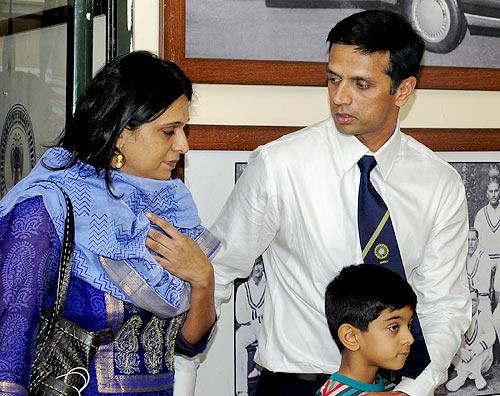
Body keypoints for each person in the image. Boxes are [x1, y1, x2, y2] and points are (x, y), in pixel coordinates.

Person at [210, 9, 470, 396]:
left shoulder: (439, 183)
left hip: (399, 386)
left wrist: (414, 389)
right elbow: (217, 269)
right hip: (295, 384)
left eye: (361, 84)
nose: (340, 97)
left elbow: (444, 304)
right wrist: (180, 364)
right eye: (333, 79)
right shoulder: (280, 165)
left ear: (403, 89)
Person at [0, 51, 218, 395]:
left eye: (183, 129)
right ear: (120, 133)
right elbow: (7, 351)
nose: (184, 145)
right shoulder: (48, 208)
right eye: (168, 132)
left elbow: (188, 345)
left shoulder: (171, 207)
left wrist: (203, 279)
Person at [316, 264, 416, 395]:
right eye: (394, 327)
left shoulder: (393, 389)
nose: (410, 339)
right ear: (351, 337)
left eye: (409, 325)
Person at [446, 288, 495, 392]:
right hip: (463, 359)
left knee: (483, 345)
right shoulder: (458, 317)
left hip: (482, 361)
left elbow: (491, 336)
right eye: (468, 300)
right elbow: (450, 338)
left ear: (478, 301)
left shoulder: (484, 314)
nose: (471, 304)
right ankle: (476, 376)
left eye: (473, 300)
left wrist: (473, 352)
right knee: (450, 345)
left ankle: (462, 378)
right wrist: (461, 351)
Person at [235, 257, 266, 396]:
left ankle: (259, 368)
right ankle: (241, 388)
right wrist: (259, 313)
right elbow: (240, 317)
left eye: (259, 264)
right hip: (250, 327)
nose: (257, 268)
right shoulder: (243, 288)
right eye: (254, 265)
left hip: (267, 326)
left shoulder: (270, 285)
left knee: (267, 335)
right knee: (237, 340)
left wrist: (255, 315)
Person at [475, 180, 500, 300]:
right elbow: (476, 243)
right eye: (491, 191)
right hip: (486, 262)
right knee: (485, 300)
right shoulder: (481, 214)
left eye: (496, 191)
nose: (494, 194)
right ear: (487, 193)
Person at [466, 227, 494, 312]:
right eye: (468, 240)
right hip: (466, 302)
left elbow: (483, 287)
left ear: (477, 241)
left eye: (473, 240)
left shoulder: (484, 258)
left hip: (482, 302)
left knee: (484, 321)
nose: (470, 243)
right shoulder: (462, 258)